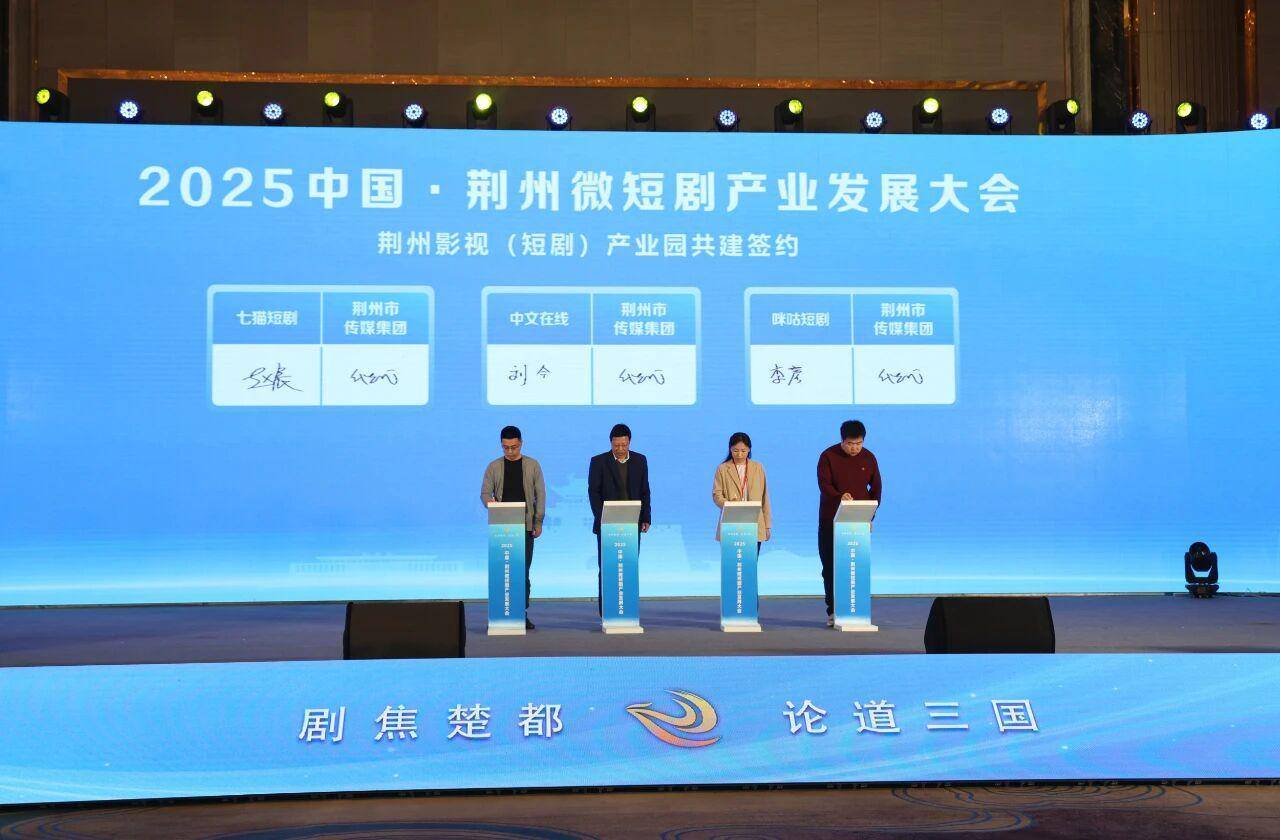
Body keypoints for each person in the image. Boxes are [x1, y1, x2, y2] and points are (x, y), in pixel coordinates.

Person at [816, 419, 882, 627]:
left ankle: (856, 609)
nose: (855, 448)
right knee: (830, 566)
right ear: (842, 440)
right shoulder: (828, 456)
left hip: (858, 522)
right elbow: (824, 485)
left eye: (859, 443)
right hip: (831, 521)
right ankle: (833, 610)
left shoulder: (869, 457)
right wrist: (839, 497)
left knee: (856, 565)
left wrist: (869, 515)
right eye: (850, 444)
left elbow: (877, 488)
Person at [480, 425, 546, 630]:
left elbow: (540, 495)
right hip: (501, 528)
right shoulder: (493, 467)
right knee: (502, 570)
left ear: (521, 444)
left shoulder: (533, 465)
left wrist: (538, 522)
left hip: (525, 527)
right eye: (505, 447)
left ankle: (521, 612)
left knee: (522, 572)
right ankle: (501, 612)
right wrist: (491, 504)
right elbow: (485, 493)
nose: (510, 451)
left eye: (514, 447)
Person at [587, 423, 651, 616]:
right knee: (607, 567)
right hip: (607, 524)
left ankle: (628, 609)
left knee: (629, 566)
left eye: (624, 445)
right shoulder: (598, 461)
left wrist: (646, 517)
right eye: (616, 445)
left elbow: (645, 490)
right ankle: (606, 611)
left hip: (632, 524)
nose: (620, 449)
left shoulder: (640, 460)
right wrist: (602, 518)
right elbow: (593, 493)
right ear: (611, 443)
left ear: (629, 442)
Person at [711, 432, 772, 553]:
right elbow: (716, 495)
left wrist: (767, 526)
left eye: (743, 451)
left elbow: (765, 497)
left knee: (751, 561)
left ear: (749, 449)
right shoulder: (722, 469)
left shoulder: (758, 467)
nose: (739, 454)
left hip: (754, 521)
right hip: (731, 520)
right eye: (735, 451)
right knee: (733, 561)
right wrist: (729, 505)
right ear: (730, 449)